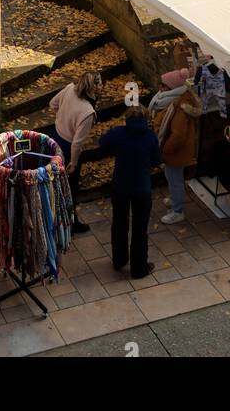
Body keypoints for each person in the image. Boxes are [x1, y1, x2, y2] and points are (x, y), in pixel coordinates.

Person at [99, 103, 161, 278]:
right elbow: (156, 160)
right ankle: (139, 268)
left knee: (119, 224)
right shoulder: (150, 137)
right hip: (142, 188)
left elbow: (102, 142)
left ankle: (119, 260)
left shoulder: (119, 133)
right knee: (140, 229)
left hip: (121, 186)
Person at [49, 70, 103, 233]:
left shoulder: (69, 88)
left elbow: (52, 104)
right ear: (93, 88)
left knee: (55, 183)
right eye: (100, 83)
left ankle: (56, 218)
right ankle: (70, 224)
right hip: (67, 147)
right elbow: (77, 143)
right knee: (70, 189)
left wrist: (62, 119)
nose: (102, 86)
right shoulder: (87, 112)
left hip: (54, 137)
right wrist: (73, 162)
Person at [149, 68, 202, 224]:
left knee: (175, 180)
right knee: (171, 177)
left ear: (172, 88)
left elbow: (178, 136)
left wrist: (164, 151)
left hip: (175, 152)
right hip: (171, 150)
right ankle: (174, 199)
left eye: (164, 86)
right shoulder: (174, 99)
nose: (160, 88)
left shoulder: (180, 106)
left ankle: (177, 211)